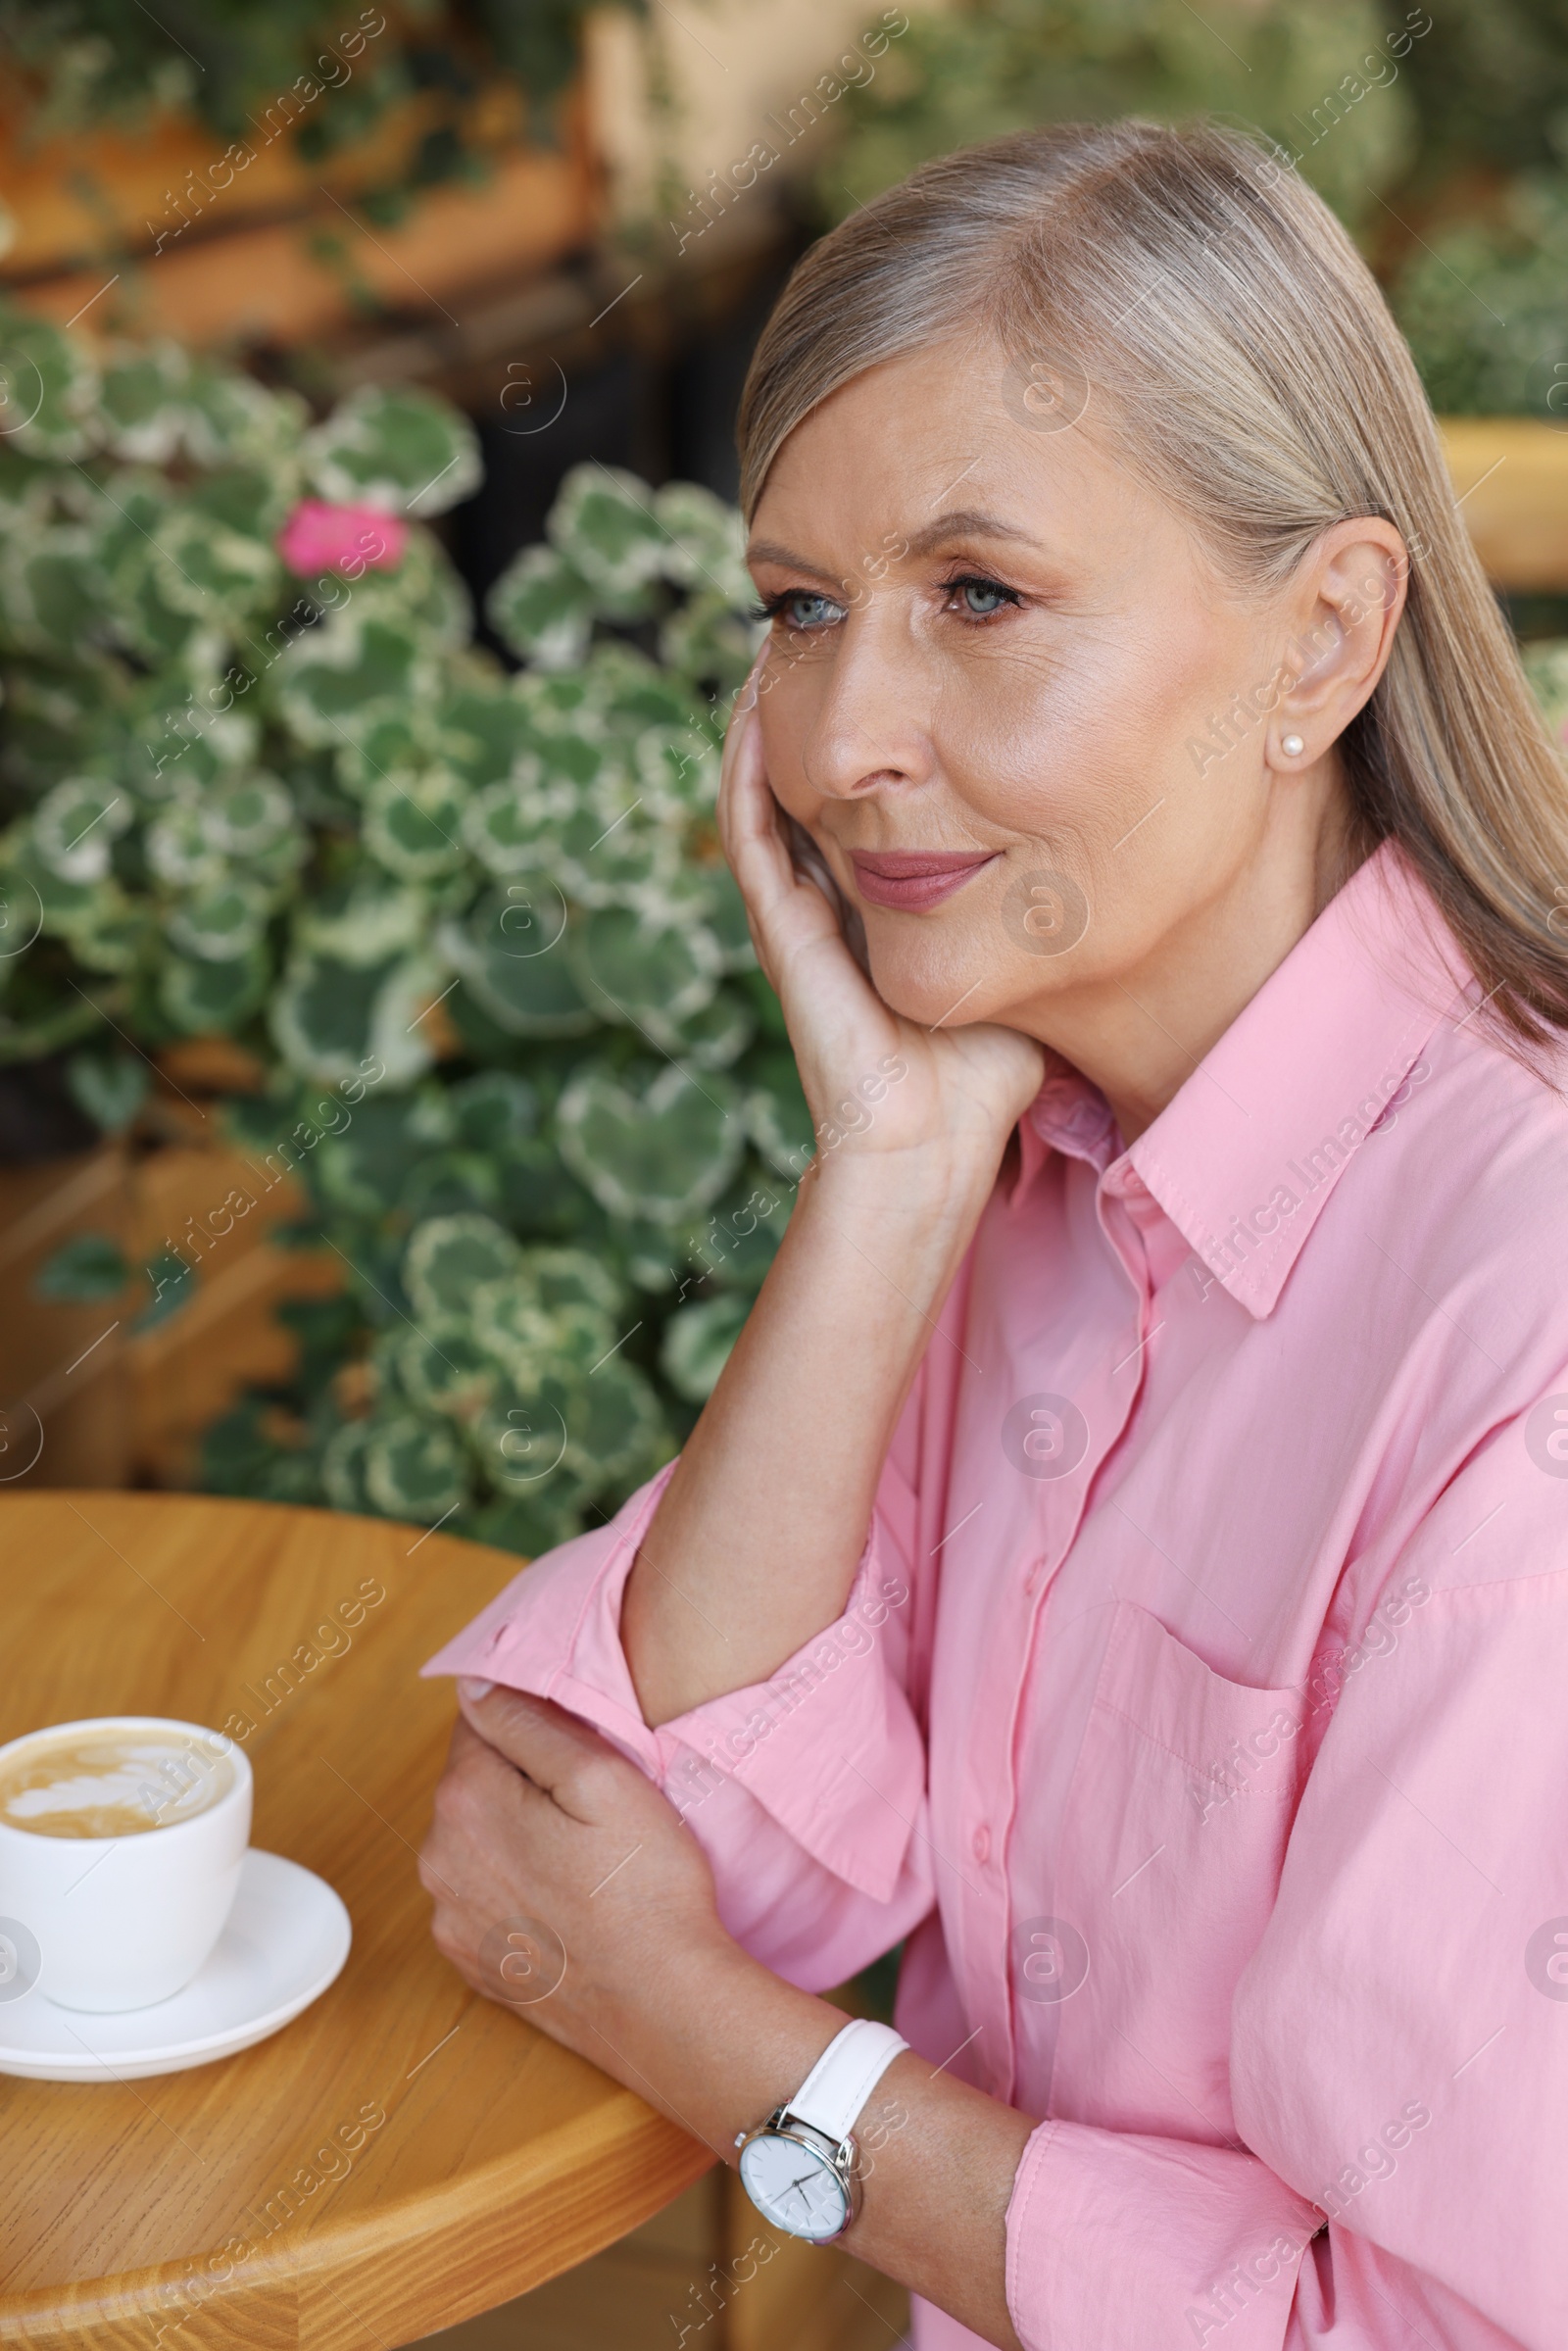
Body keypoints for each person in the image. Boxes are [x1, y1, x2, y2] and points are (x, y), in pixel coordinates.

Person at [418, 120, 1568, 2349]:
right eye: (796, 610)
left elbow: (1429, 2330)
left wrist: (742, 2065)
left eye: (979, 596)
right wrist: (885, 1178)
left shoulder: (1518, 1320)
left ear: (1318, 638)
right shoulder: (1028, 1144)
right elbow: (641, 1839)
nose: (842, 739)